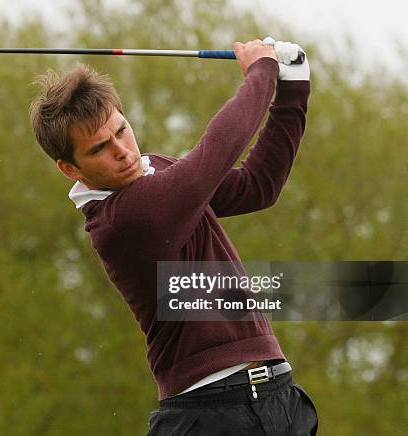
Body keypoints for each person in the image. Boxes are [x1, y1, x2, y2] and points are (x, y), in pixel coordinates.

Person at [30, 37, 318, 435]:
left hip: (278, 399)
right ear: (70, 168)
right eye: (100, 148)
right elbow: (211, 157)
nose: (123, 151)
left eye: (122, 130)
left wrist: (293, 90)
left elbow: (258, 185)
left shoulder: (157, 172)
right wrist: (262, 72)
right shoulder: (119, 220)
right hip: (209, 413)